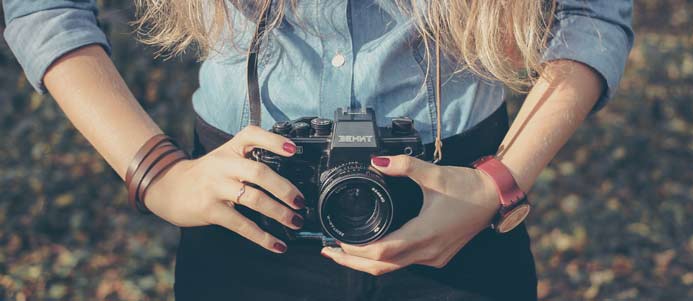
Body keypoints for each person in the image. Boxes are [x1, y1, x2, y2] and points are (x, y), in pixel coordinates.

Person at [3, 0, 633, 300]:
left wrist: (500, 181)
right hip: (249, 211)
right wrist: (156, 174)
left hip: (459, 205)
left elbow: (594, 11)